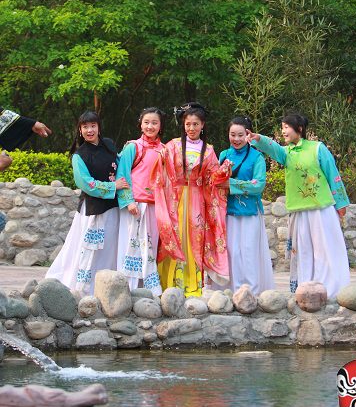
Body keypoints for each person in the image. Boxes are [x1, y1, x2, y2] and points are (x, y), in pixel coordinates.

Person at [247, 113, 350, 298]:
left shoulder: (317, 148)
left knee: (325, 249)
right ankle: (306, 288)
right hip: (299, 211)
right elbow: (273, 148)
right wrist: (258, 138)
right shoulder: (286, 153)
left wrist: (341, 203)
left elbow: (333, 174)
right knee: (304, 252)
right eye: (282, 127)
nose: (283, 131)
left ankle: (332, 289)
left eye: (286, 127)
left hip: (321, 210)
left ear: (299, 129)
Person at [151, 102, 231, 297]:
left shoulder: (209, 150)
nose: (191, 128)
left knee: (194, 239)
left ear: (202, 125)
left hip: (197, 199)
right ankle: (169, 283)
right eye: (188, 124)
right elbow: (160, 167)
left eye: (195, 124)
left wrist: (222, 172)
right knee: (174, 235)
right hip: (175, 198)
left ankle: (191, 285)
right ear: (183, 125)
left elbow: (212, 178)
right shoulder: (173, 145)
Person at [46, 110, 129, 294]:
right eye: (85, 127)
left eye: (93, 125)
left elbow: (119, 163)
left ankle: (107, 289)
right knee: (89, 250)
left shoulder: (109, 144)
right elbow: (85, 183)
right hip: (93, 211)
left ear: (99, 127)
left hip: (113, 208)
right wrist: (113, 186)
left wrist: (129, 150)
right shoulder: (79, 155)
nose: (89, 130)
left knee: (110, 248)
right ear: (80, 130)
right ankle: (83, 289)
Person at [220, 116, 274, 295]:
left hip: (250, 212)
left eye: (240, 135)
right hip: (229, 212)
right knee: (232, 253)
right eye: (232, 134)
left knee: (249, 252)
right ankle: (233, 292)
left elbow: (258, 185)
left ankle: (252, 293)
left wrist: (231, 184)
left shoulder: (257, 157)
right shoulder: (224, 155)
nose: (236, 139)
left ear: (248, 135)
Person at [116, 107, 166, 295]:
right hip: (135, 205)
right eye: (146, 122)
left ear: (160, 126)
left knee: (150, 246)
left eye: (154, 123)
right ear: (140, 124)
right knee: (131, 244)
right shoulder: (133, 147)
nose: (150, 126)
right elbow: (122, 174)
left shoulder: (165, 150)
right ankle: (127, 289)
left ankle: (147, 290)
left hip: (155, 206)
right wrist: (128, 201)